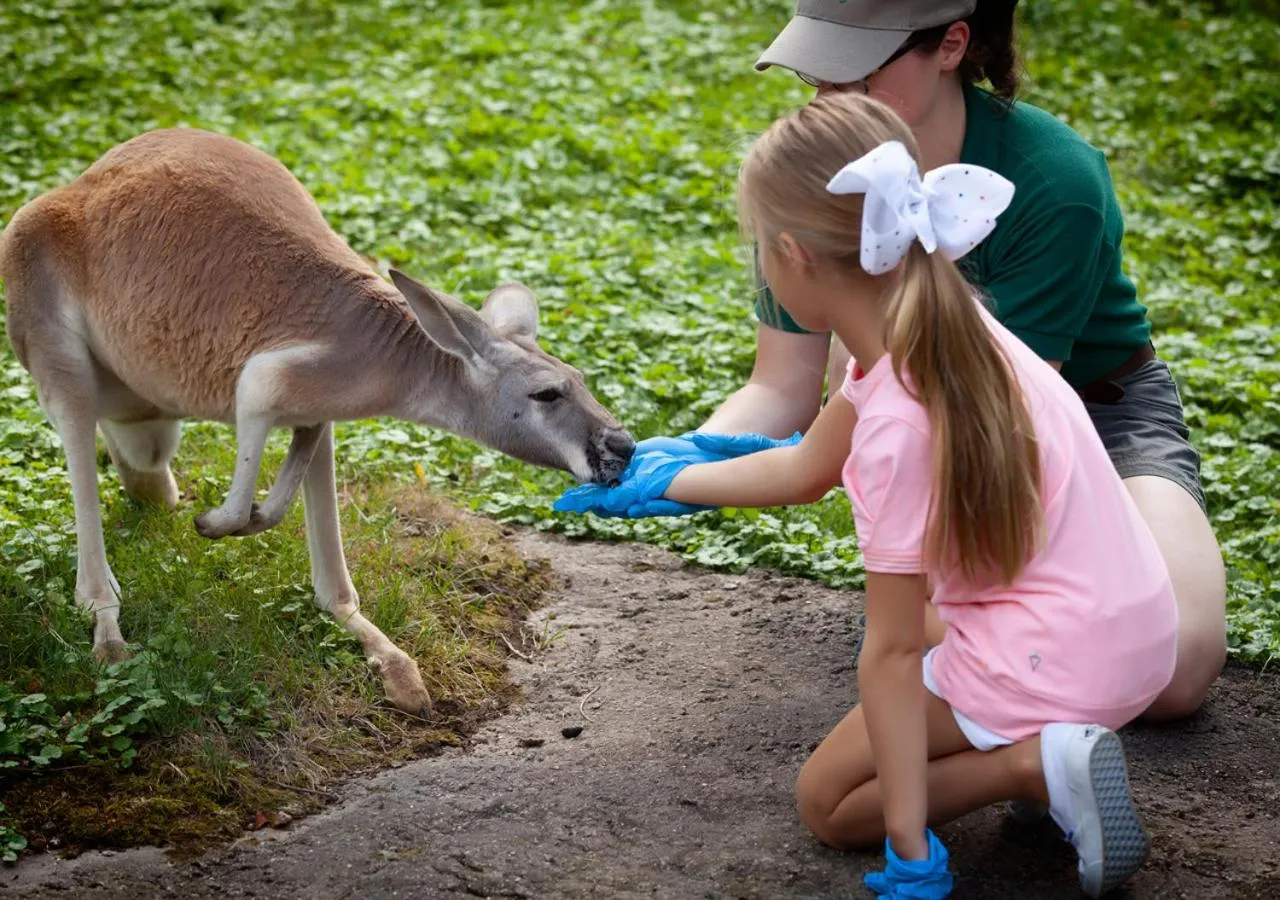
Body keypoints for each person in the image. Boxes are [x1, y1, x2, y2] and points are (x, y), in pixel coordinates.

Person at [557, 90, 1177, 899]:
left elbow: (889, 654)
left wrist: (910, 844)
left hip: (1056, 651)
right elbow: (805, 468)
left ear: (794, 255)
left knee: (832, 804)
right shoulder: (938, 320)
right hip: (1131, 624)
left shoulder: (897, 428)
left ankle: (1035, 764)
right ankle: (1036, 742)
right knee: (922, 637)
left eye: (758, 251)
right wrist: (670, 480)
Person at [557, 0, 1226, 723]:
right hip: (913, 411)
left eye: (855, 71)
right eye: (817, 73)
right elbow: (782, 386)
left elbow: (1000, 419)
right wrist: (685, 464)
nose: (827, 98)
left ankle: (978, 669)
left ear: (950, 45)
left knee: (1177, 663)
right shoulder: (815, 172)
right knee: (980, 630)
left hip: (1090, 413)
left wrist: (804, 470)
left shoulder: (1052, 177)